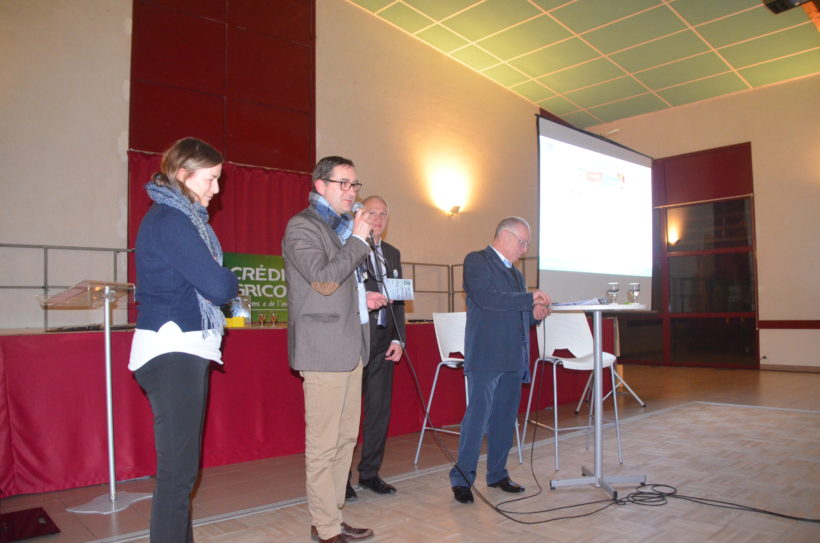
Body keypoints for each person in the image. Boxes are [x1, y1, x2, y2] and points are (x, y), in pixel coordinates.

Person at [129, 137, 239, 542]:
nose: (216, 189)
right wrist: (229, 279)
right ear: (182, 174)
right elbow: (219, 286)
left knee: (181, 473)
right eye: (210, 179)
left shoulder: (179, 218)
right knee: (177, 477)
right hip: (172, 348)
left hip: (179, 348)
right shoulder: (172, 221)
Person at [282, 156, 385, 543]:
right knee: (323, 444)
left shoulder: (343, 228)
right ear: (320, 185)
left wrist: (362, 298)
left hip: (351, 345)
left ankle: (333, 516)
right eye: (343, 183)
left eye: (354, 184)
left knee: (345, 441)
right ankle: (324, 526)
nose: (351, 192)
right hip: (323, 349)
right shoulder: (302, 226)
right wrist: (357, 240)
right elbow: (324, 280)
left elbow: (342, 285)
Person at [449, 217, 551, 504]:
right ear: (505, 236)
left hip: (512, 356)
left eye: (527, 244)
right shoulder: (476, 261)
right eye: (522, 242)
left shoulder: (516, 274)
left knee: (505, 420)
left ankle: (497, 474)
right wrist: (529, 299)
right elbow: (488, 299)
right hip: (486, 354)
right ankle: (462, 479)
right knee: (477, 419)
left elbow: (518, 313)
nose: (525, 249)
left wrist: (536, 315)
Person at [348, 196, 405, 498]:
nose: (378, 219)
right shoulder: (349, 247)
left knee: (379, 410)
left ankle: (370, 473)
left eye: (383, 213)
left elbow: (399, 299)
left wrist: (399, 338)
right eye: (372, 213)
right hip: (354, 340)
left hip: (384, 340)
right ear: (360, 215)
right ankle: (341, 480)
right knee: (347, 413)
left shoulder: (392, 253)